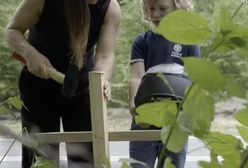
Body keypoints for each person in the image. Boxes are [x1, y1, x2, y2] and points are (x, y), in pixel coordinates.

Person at [4, 0, 120, 167]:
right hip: (38, 84)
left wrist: (101, 80)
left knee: (86, 158)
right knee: (40, 155)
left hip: (83, 85)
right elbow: (12, 30)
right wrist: (30, 54)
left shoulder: (111, 7)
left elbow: (105, 55)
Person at [129, 0, 200, 167]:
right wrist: (133, 106)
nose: (155, 14)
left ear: (178, 6)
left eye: (162, 8)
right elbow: (136, 76)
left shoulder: (189, 41)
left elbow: (194, 80)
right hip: (144, 120)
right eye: (151, 8)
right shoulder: (142, 41)